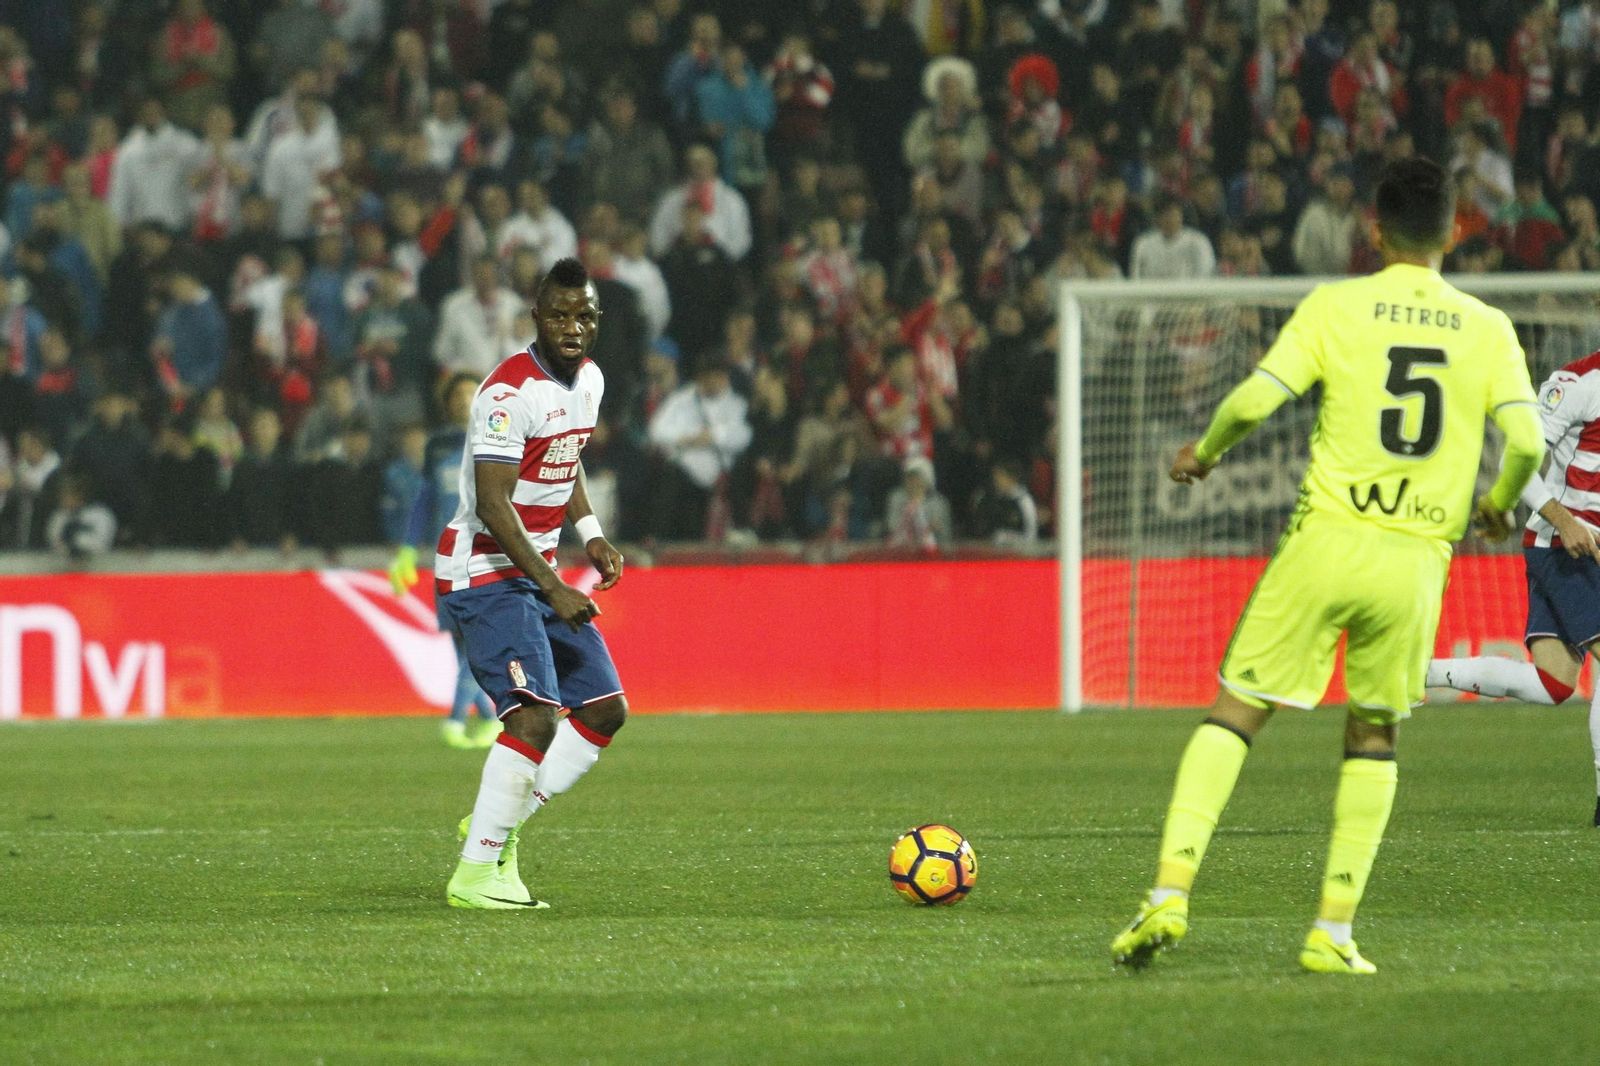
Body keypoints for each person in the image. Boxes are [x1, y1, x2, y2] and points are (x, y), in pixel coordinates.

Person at [1109, 158, 1546, 975]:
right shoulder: (1487, 327)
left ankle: (1170, 891)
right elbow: (1524, 443)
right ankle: (1332, 932)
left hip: (1327, 538)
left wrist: (1204, 456)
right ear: (1455, 231)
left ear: (1372, 230)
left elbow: (1253, 400)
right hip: (1416, 558)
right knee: (1373, 733)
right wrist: (1499, 503)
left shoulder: (1335, 305)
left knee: (1238, 711)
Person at [440, 258, 628, 910]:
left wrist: (593, 530)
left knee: (605, 709)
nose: (573, 327)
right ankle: (474, 873)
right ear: (537, 319)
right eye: (560, 315)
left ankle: (503, 822)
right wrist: (554, 587)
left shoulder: (590, 383)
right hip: (485, 571)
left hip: (534, 569)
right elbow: (494, 505)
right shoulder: (507, 394)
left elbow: (563, 457)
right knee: (535, 717)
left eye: (585, 316)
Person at [1426, 358, 1600, 826]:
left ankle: (1415, 672)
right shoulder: (1578, 384)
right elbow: (1515, 462)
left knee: (1553, 684)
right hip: (1566, 545)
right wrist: (1565, 522)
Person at [389, 372, 502, 751]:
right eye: (459, 395)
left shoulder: (500, 438)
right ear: (449, 403)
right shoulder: (438, 446)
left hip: (486, 556)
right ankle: (491, 721)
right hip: (446, 557)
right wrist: (408, 548)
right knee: (459, 643)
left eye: (473, 393)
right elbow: (425, 499)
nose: (465, 401)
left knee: (475, 643)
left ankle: (455, 722)